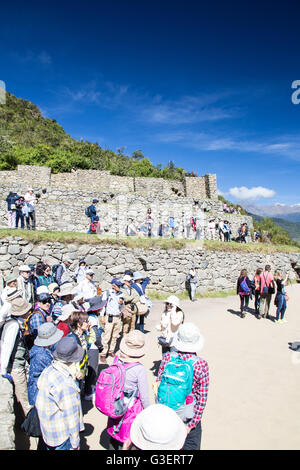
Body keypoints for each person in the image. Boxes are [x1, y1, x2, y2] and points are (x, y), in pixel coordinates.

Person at [156, 323, 209, 450]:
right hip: (187, 415)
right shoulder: (201, 364)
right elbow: (201, 398)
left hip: (167, 413)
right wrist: (191, 425)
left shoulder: (167, 357)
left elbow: (159, 384)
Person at [35, 336, 85, 450]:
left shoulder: (48, 371)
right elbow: (71, 416)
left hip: (48, 431)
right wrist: (75, 442)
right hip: (62, 435)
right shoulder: (66, 382)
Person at [106, 330, 150, 450]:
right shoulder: (139, 369)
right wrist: (148, 412)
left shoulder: (116, 360)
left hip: (115, 403)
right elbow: (144, 396)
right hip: (131, 408)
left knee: (115, 433)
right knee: (128, 437)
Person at [1, 296, 33, 418]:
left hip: (16, 364)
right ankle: (29, 428)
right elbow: (6, 346)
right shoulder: (14, 326)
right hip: (15, 367)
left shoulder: (13, 323)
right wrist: (3, 370)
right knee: (23, 398)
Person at [67, 310, 96, 397]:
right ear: (79, 324)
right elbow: (71, 358)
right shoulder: (73, 338)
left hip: (82, 370)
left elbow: (92, 340)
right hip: (76, 373)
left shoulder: (82, 335)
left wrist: (90, 330)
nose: (88, 323)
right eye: (86, 321)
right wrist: (76, 372)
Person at [99, 278, 125, 364]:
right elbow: (103, 305)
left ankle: (111, 350)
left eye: (120, 285)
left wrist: (121, 304)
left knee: (115, 335)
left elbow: (122, 307)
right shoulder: (108, 293)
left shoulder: (121, 294)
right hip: (109, 316)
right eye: (118, 285)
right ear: (113, 285)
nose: (119, 287)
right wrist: (102, 316)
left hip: (118, 317)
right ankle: (103, 353)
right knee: (107, 335)